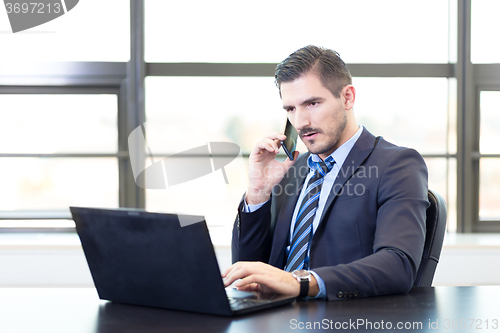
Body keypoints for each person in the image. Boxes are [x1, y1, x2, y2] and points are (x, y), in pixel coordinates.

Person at [222, 45, 429, 301]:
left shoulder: (397, 164)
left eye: (312, 103)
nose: (300, 123)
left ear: (347, 98)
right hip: (274, 318)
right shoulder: (293, 169)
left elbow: (397, 265)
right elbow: (246, 270)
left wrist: (299, 282)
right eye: (291, 109)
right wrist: (258, 194)